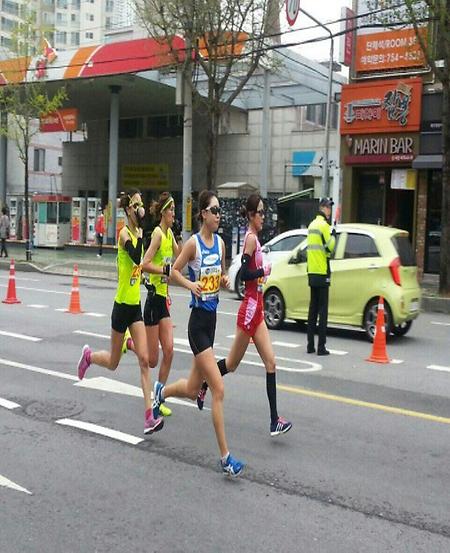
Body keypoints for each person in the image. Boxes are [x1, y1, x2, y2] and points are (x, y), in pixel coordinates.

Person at [152, 190, 245, 477]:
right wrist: (190, 286)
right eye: (214, 210)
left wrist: (226, 278)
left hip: (212, 322)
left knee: (193, 390)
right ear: (203, 213)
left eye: (220, 211)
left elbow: (220, 275)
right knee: (218, 389)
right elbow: (173, 272)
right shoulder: (193, 244)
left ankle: (161, 394)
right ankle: (225, 458)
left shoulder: (220, 243)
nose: (219, 216)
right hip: (197, 327)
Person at [196, 193, 292, 437]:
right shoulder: (250, 239)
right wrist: (262, 270)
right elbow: (246, 274)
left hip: (258, 309)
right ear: (250, 215)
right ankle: (205, 382)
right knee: (231, 364)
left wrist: (261, 273)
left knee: (271, 362)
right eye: (260, 212)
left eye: (264, 212)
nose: (263, 216)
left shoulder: (256, 239)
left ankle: (274, 421)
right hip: (249, 309)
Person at [76, 189, 163, 435]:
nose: (140, 208)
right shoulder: (124, 233)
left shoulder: (137, 232)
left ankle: (149, 416)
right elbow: (137, 258)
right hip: (121, 307)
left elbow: (138, 270)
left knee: (145, 360)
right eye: (137, 205)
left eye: (141, 204)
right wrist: (143, 231)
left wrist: (145, 282)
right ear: (128, 210)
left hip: (135, 306)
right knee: (113, 363)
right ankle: (89, 357)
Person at [139, 192, 182, 417]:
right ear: (164, 212)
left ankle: (158, 398)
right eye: (172, 209)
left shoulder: (169, 234)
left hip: (163, 299)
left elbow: (181, 256)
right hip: (153, 299)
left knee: (170, 350)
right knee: (152, 360)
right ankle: (131, 341)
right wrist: (163, 270)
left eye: (175, 209)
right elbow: (145, 264)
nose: (174, 213)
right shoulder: (157, 233)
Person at [306, 197, 336, 356]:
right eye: (329, 208)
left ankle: (310, 345)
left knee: (312, 310)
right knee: (322, 312)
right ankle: (321, 347)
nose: (330, 211)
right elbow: (329, 248)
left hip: (311, 272)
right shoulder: (324, 226)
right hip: (322, 272)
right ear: (323, 208)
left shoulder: (311, 226)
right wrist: (334, 235)